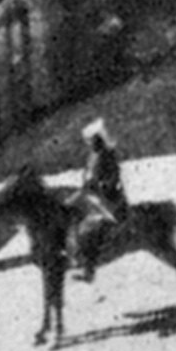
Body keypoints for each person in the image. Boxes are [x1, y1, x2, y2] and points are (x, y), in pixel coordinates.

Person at [73, 119, 127, 282]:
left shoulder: (108, 155)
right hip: (93, 197)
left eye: (91, 140)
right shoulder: (93, 155)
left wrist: (99, 186)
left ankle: (89, 271)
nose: (89, 143)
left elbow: (113, 178)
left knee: (87, 230)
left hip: (109, 200)